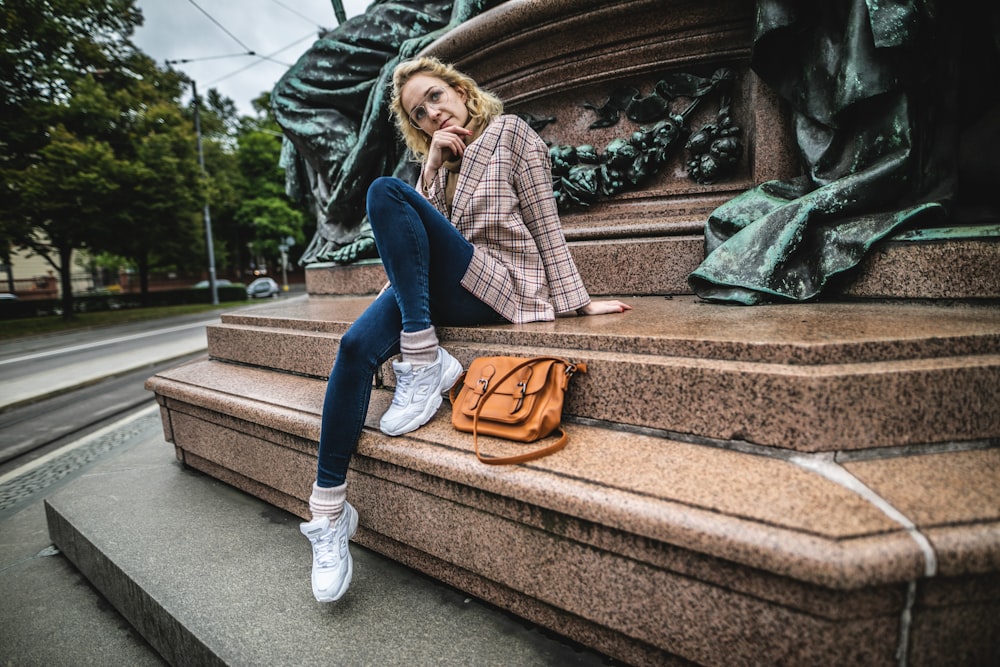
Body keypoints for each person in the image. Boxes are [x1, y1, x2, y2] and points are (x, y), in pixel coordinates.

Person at [298, 56, 632, 603]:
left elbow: (546, 221)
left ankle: (424, 358)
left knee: (383, 191)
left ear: (460, 90)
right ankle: (328, 511)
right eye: (419, 113)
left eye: (435, 97)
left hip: (501, 283)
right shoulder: (438, 159)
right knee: (355, 346)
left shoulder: (510, 133)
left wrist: (578, 302)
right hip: (445, 291)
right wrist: (431, 170)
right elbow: (416, 245)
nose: (431, 112)